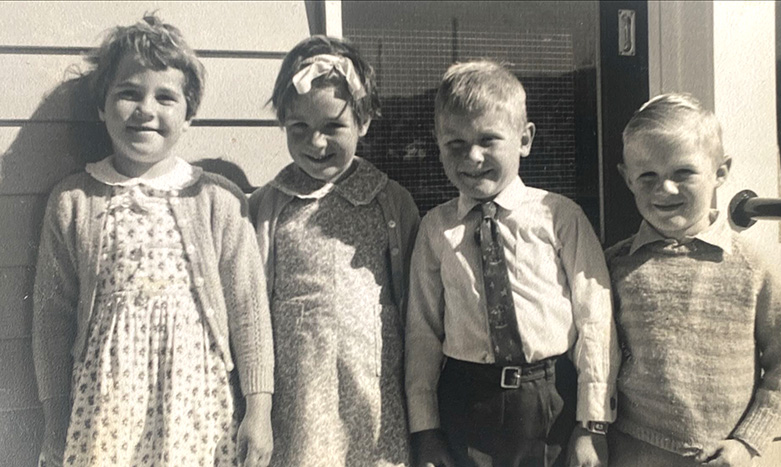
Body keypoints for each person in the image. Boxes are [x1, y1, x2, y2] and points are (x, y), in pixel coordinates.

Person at [32, 15, 274, 467]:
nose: (146, 109)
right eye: (129, 93)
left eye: (165, 97)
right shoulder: (73, 200)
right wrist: (54, 418)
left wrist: (258, 410)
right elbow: (51, 321)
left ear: (187, 115)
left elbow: (249, 309)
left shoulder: (217, 198)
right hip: (106, 403)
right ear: (102, 107)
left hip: (196, 402)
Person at [405, 59, 620, 467]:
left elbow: (595, 317)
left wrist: (592, 424)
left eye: (489, 140)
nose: (473, 157)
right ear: (438, 143)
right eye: (455, 144)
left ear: (524, 139)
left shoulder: (559, 216)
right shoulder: (436, 229)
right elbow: (422, 334)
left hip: (550, 401)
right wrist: (426, 431)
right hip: (467, 401)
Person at [249, 35, 420, 466]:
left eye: (332, 127)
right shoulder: (269, 206)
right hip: (299, 392)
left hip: (373, 388)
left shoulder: (391, 201)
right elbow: (251, 309)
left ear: (363, 121)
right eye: (299, 129)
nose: (316, 143)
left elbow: (416, 307)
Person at [605, 93, 781, 467]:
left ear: (721, 172)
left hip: (723, 456)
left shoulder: (753, 269)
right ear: (626, 178)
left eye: (683, 173)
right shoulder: (615, 266)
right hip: (632, 451)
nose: (666, 189)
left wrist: (747, 442)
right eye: (648, 176)